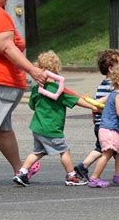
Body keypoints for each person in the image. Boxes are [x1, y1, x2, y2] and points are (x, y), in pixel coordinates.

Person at [0, 0, 47, 188]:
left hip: (1, 80)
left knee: (3, 129)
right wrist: (33, 70)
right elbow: (5, 47)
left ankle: (20, 168)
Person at [13, 51, 97, 186]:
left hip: (37, 127)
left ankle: (22, 172)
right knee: (64, 151)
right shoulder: (60, 91)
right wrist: (93, 107)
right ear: (57, 69)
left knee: (37, 151)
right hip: (52, 128)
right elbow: (76, 101)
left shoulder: (36, 89)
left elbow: (32, 106)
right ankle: (71, 176)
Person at [74, 50, 119, 182]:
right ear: (112, 69)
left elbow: (96, 104)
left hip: (102, 124)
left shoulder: (104, 84)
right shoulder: (115, 87)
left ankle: (83, 166)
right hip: (112, 125)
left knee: (102, 148)